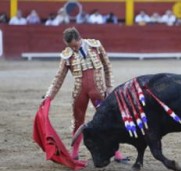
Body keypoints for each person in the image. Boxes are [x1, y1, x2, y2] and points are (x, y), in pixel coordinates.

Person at [43, 27, 127, 162]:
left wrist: (110, 86)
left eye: (75, 46)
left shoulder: (95, 46)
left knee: (106, 120)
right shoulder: (67, 54)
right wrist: (49, 96)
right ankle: (74, 153)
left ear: (79, 39)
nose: (74, 49)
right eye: (71, 47)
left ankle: (116, 154)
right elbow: (59, 77)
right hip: (79, 91)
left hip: (98, 89)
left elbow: (107, 66)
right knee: (77, 121)